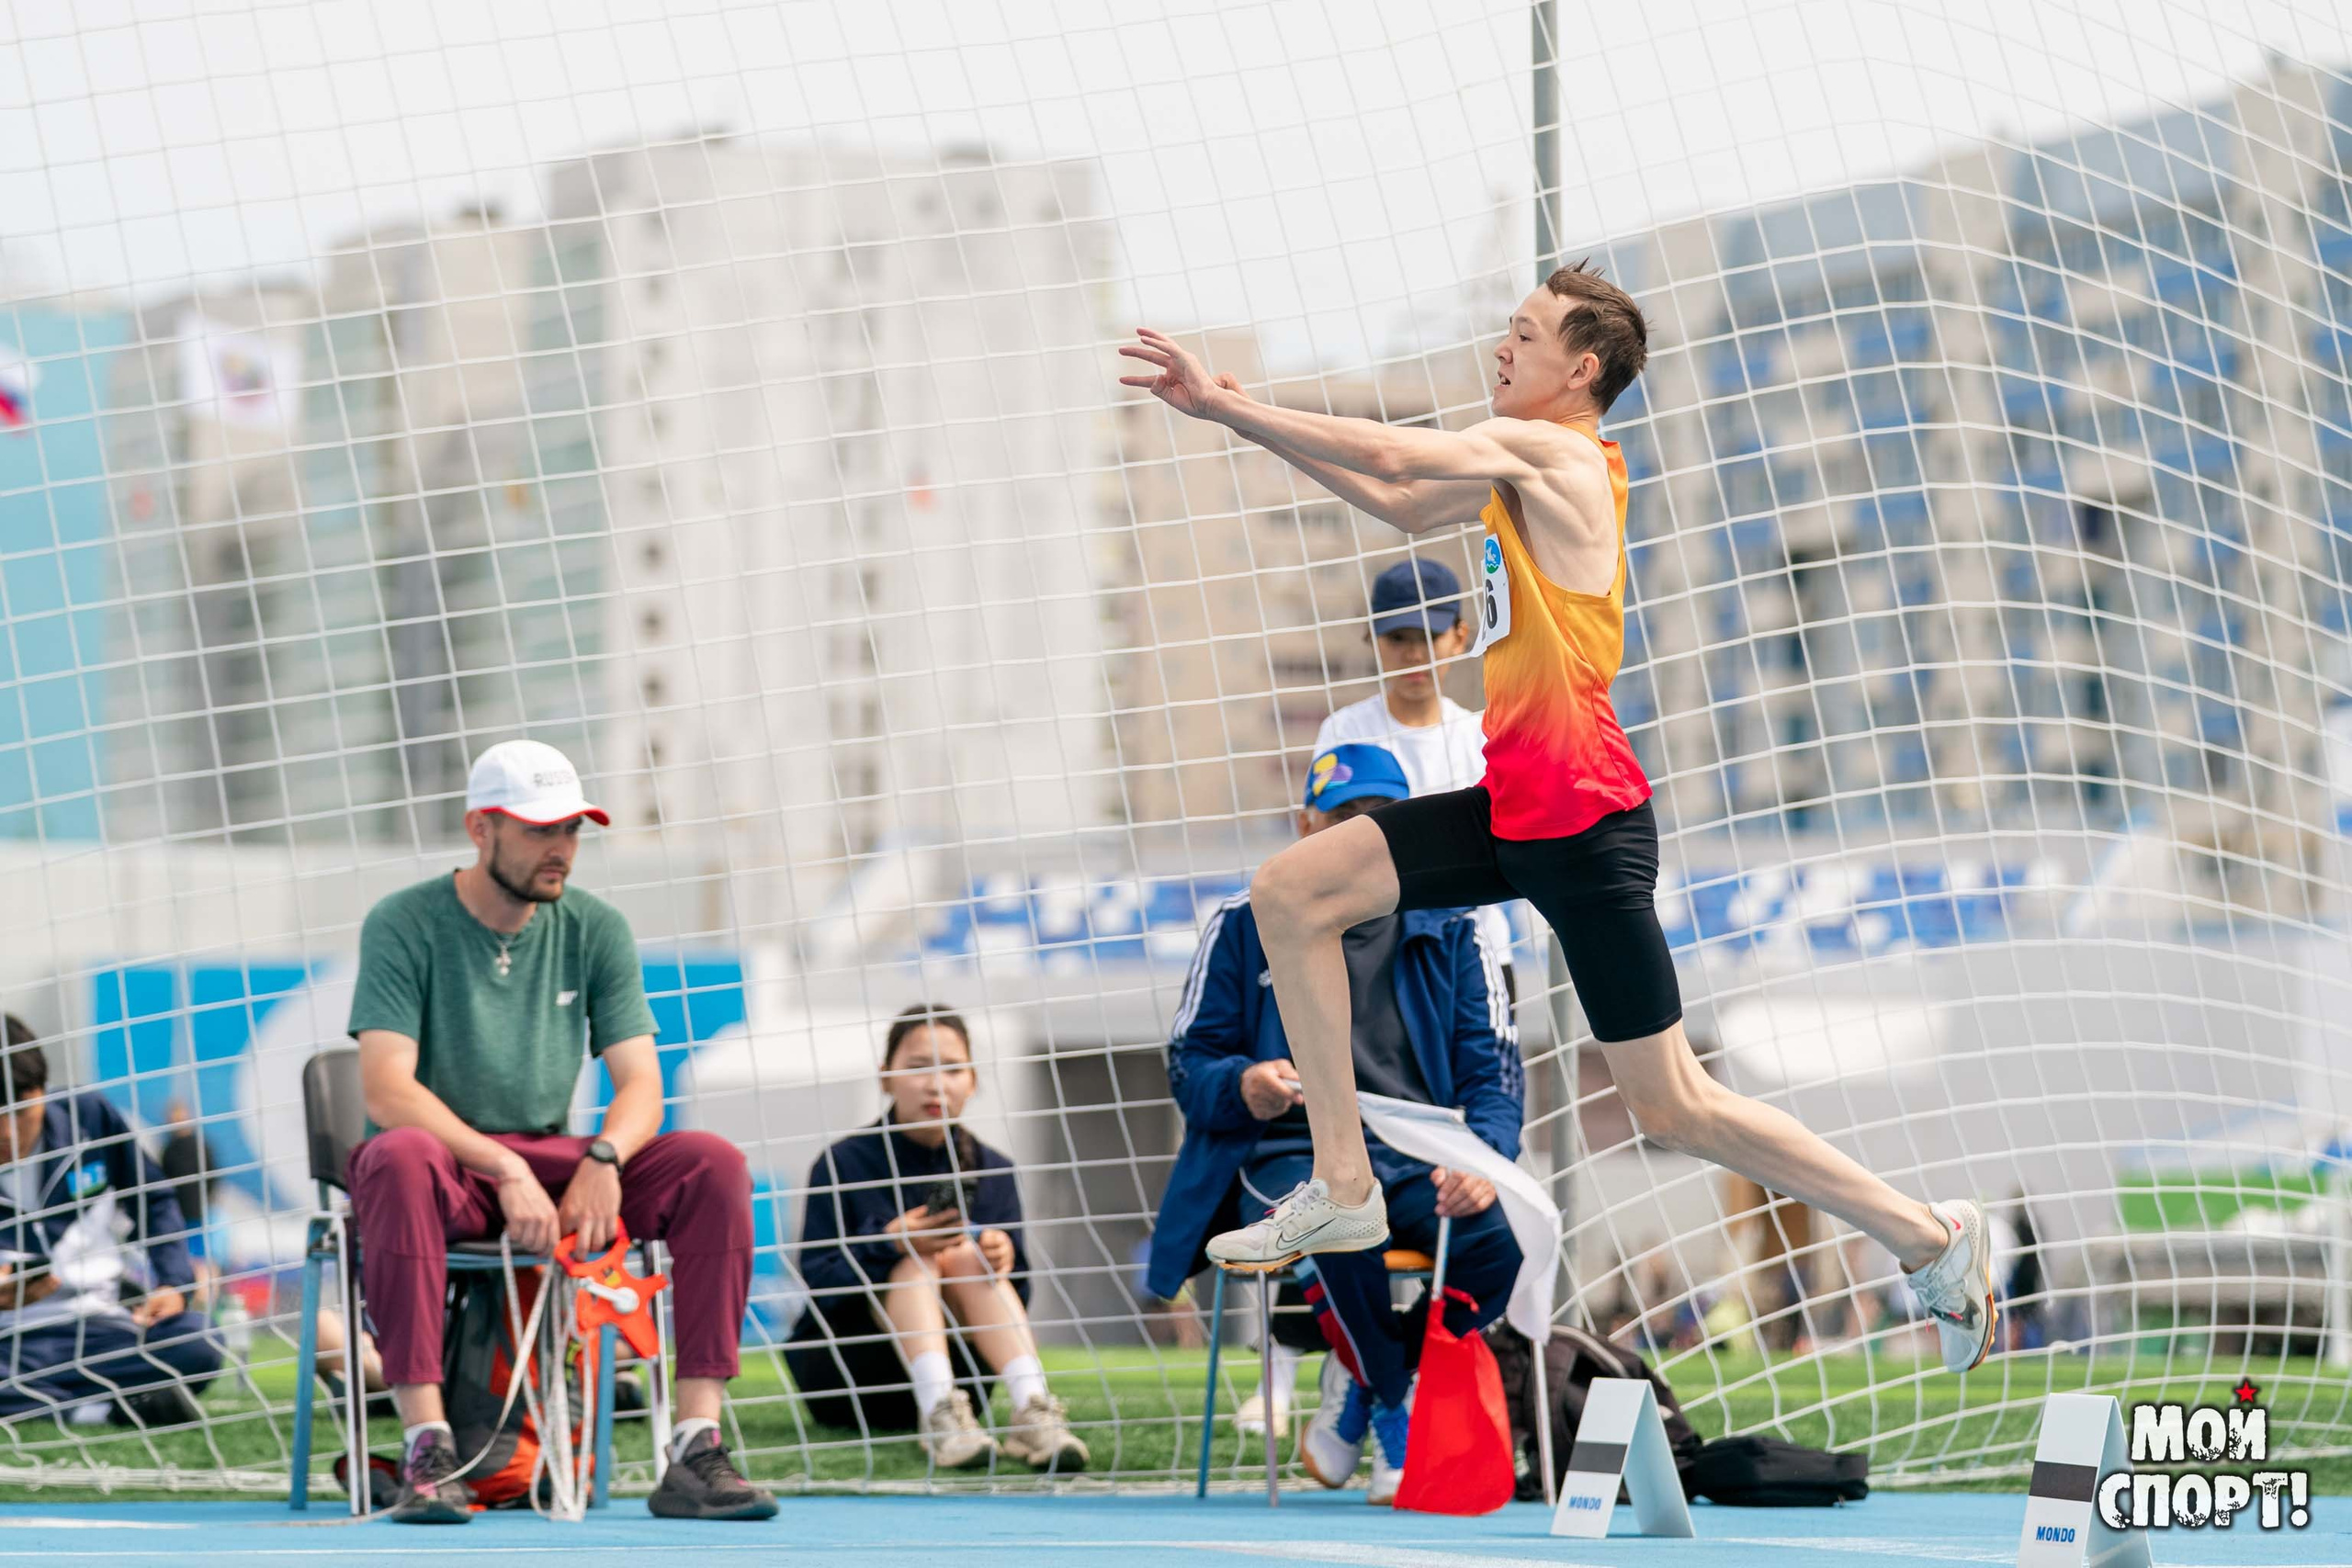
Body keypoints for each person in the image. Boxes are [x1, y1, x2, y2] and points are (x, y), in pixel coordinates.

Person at [1119, 266, 1998, 1376]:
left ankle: (1929, 1236)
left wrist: (1226, 405)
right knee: (1291, 894)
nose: (1503, 347)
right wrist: (1252, 431)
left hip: (1583, 825)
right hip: (1510, 810)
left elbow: (1394, 457)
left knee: (1674, 1106)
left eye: (1525, 335)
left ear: (1580, 369)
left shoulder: (1561, 455)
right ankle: (1342, 1185)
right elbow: (1395, 502)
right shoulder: (1512, 471)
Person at [345, 739, 776, 1523]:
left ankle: (695, 1444)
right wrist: (500, 1164)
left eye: (573, 829)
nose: (563, 849)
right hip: (450, 1164)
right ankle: (427, 1447)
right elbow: (385, 1087)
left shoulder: (595, 925)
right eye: (542, 829)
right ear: (481, 828)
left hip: (555, 1161)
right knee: (397, 1154)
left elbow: (642, 1081)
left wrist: (607, 1155)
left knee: (712, 1163)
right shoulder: (403, 922)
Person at [1148, 743, 1522, 1504]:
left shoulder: (1458, 926)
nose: (1361, 832)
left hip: (1416, 1154)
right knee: (1340, 1225)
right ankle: (1393, 1409)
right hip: (1284, 1150)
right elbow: (1189, 1064)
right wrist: (1243, 1082)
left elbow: (1495, 1075)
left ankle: (1364, 1383)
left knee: (1501, 1244)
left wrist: (1482, 1162)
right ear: (1305, 823)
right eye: (1344, 817)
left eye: (1380, 818)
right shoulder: (1243, 923)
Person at [789, 1005, 1088, 1472]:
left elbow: (1019, 1293)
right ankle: (937, 1413)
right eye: (918, 1066)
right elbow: (820, 1283)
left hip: (966, 1376)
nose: (936, 1083)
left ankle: (1032, 1407)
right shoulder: (841, 1163)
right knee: (916, 1260)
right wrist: (890, 1242)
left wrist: (1002, 1257)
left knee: (968, 1256)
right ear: (885, 1077)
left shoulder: (994, 1169)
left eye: (952, 1068)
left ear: (972, 1081)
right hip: (852, 1373)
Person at [1313, 558, 1520, 998]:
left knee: (1483, 1069)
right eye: (1398, 637)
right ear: (1373, 638)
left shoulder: (1482, 735)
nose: (1414, 654)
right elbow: (1323, 845)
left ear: (1460, 637)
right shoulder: (1344, 731)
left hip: (1476, 951)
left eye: (1429, 636)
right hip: (1372, 951)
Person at [0, 1017, 220, 1428]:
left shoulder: (89, 1116)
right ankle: (101, 1409)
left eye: (21, 1111)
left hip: (99, 1328)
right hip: (6, 1341)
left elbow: (153, 1200)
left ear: (43, 1093)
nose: (7, 1132)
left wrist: (173, 1284)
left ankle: (42, 1397)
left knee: (199, 1342)